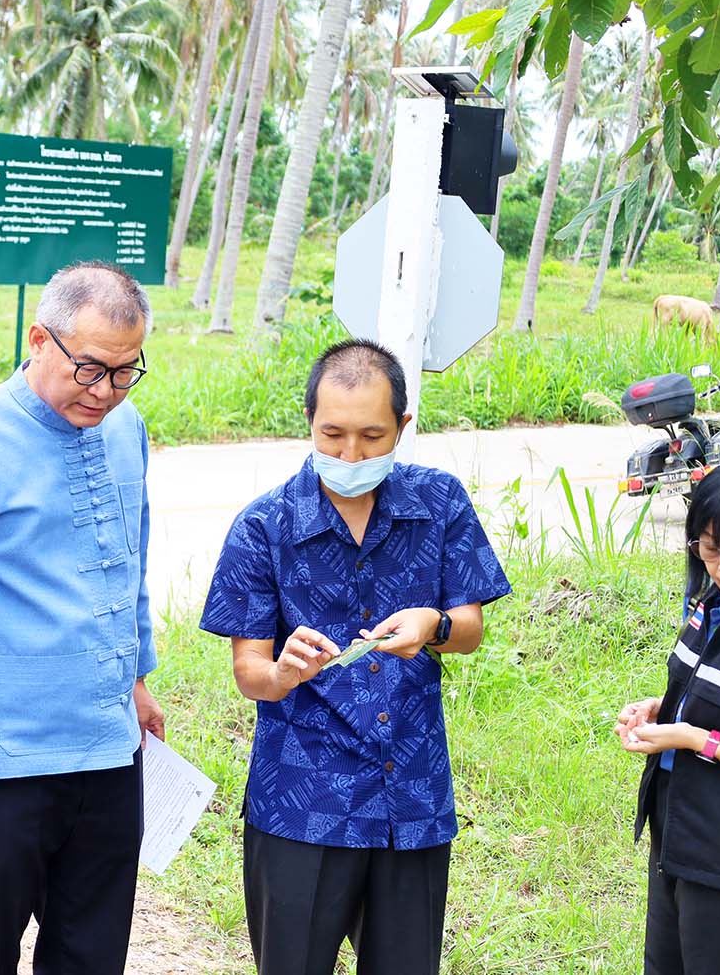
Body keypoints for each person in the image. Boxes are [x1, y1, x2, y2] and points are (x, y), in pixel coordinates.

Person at [198, 338, 511, 975]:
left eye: (371, 435)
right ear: (309, 423)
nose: (349, 454)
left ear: (403, 425)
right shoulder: (265, 526)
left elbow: (471, 627)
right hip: (302, 802)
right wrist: (283, 672)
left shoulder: (439, 504)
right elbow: (249, 672)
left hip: (411, 798)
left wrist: (434, 624)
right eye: (332, 433)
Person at [0, 261, 166, 975]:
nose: (105, 392)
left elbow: (128, 558)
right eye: (89, 370)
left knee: (91, 950)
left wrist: (136, 678)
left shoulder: (125, 427)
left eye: (125, 372)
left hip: (106, 746)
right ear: (38, 339)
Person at [619, 461, 720, 975]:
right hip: (678, 838)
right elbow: (715, 698)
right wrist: (661, 710)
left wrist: (694, 738)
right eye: (709, 549)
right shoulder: (711, 605)